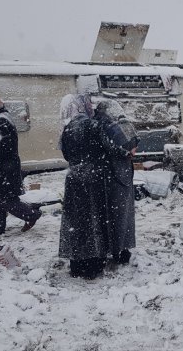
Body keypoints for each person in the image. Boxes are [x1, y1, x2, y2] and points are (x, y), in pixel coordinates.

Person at [58, 94, 108, 279]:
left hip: (73, 179)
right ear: (85, 107)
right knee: (94, 219)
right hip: (93, 177)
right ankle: (94, 263)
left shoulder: (68, 128)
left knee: (75, 222)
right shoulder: (94, 125)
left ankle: (77, 263)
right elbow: (104, 149)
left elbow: (65, 154)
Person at [0, 97, 41, 237]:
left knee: (3, 198)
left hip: (3, 168)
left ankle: (31, 215)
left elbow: (3, 146)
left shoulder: (1, 120)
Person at [94, 100, 140, 265]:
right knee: (121, 214)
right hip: (120, 174)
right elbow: (133, 145)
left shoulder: (95, 124)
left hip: (101, 175)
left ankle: (107, 247)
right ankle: (120, 250)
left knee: (106, 214)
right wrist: (127, 152)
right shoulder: (118, 125)